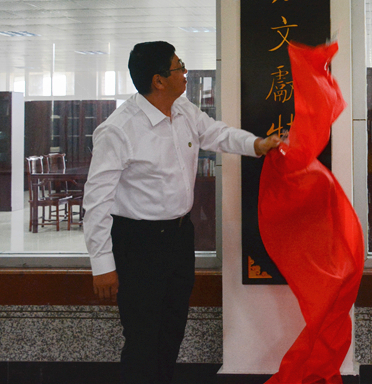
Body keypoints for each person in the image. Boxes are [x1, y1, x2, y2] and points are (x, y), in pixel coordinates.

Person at [83, 41, 281, 384]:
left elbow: (215, 133)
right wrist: (102, 265)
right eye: (179, 67)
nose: (185, 72)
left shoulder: (183, 110)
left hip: (177, 237)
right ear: (159, 80)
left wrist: (257, 144)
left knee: (172, 329)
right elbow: (97, 201)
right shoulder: (117, 130)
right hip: (137, 243)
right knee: (143, 338)